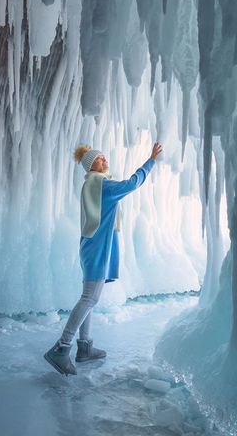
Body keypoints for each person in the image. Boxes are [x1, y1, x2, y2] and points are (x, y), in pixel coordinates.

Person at [44, 141, 163, 376]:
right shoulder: (102, 186)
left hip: (91, 246)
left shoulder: (92, 185)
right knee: (90, 298)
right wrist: (151, 162)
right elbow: (132, 183)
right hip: (96, 247)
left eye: (104, 157)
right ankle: (62, 347)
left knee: (89, 297)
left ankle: (85, 347)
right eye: (99, 159)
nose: (104, 160)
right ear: (91, 166)